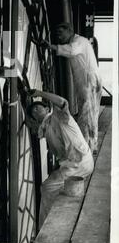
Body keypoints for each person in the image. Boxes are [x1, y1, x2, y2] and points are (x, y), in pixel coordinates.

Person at [26, 89, 94, 228]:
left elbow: (63, 102)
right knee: (54, 187)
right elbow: (35, 128)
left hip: (79, 163)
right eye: (33, 113)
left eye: (37, 108)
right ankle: (55, 221)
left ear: (46, 108)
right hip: (76, 165)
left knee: (47, 187)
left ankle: (45, 227)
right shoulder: (45, 129)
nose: (35, 112)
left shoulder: (59, 117)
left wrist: (40, 93)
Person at [41, 23, 102, 154]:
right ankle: (92, 145)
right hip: (89, 80)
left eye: (60, 33)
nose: (59, 36)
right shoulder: (80, 41)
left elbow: (72, 50)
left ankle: (85, 148)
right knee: (91, 114)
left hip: (88, 81)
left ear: (70, 31)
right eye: (57, 34)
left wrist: (50, 46)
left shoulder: (78, 41)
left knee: (86, 115)